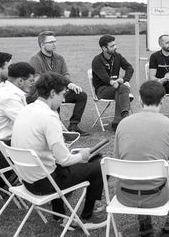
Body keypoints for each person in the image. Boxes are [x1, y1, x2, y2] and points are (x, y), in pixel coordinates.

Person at [11, 72, 106, 225]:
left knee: (74, 161)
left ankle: (59, 214)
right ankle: (87, 214)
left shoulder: (26, 109)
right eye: (62, 95)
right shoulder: (49, 117)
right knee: (99, 164)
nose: (63, 100)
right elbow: (64, 160)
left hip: (27, 180)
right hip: (45, 183)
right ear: (52, 93)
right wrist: (82, 155)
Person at [114, 80, 169, 236]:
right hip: (157, 195)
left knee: (138, 171)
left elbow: (116, 161)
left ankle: (144, 225)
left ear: (139, 99)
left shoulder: (123, 124)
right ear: (163, 101)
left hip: (124, 194)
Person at [29, 31, 90, 136]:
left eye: (55, 41)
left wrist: (67, 86)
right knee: (53, 97)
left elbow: (66, 75)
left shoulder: (59, 58)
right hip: (43, 94)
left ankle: (74, 125)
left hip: (60, 91)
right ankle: (57, 126)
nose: (54, 44)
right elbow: (40, 80)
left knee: (81, 95)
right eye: (51, 42)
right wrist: (64, 84)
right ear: (42, 45)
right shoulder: (35, 59)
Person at [91, 34, 134, 131]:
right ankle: (123, 118)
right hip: (102, 90)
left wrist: (124, 79)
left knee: (122, 89)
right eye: (112, 46)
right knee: (123, 89)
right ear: (104, 48)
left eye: (115, 45)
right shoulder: (97, 60)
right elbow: (105, 78)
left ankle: (118, 121)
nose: (115, 47)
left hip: (117, 88)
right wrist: (115, 83)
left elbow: (129, 67)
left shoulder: (117, 56)